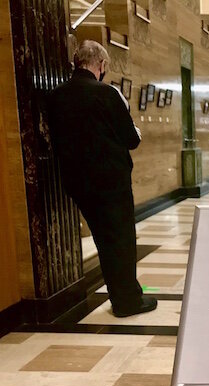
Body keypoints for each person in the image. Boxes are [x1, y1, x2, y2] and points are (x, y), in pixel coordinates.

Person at [48, 40, 157, 317]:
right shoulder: (106, 94)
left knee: (102, 239)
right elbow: (130, 139)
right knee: (121, 239)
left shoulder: (56, 95)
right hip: (111, 182)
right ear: (102, 64)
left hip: (77, 183)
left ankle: (117, 294)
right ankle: (127, 300)